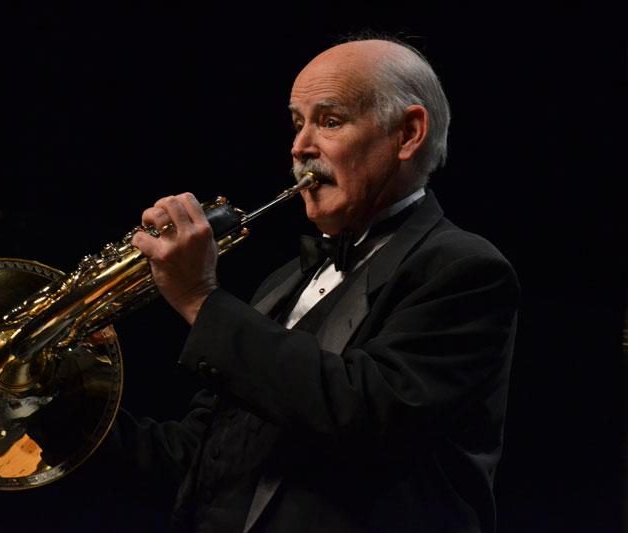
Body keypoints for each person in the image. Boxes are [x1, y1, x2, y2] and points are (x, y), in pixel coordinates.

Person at [117, 36, 519, 533]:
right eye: (297, 123)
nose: (300, 147)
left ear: (408, 134)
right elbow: (197, 461)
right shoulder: (283, 282)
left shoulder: (464, 269)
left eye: (329, 121)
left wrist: (200, 299)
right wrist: (65, 413)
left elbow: (364, 413)